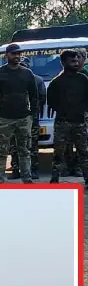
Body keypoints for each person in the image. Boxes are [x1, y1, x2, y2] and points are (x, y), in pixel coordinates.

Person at [0, 43, 38, 184]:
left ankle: (27, 178)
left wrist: (31, 115)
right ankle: (0, 178)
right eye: (14, 54)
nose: (17, 56)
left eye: (19, 54)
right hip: (4, 118)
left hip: (23, 118)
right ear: (7, 55)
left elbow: (34, 95)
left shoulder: (27, 73)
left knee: (25, 151)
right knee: (2, 151)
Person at [47, 49, 88, 187]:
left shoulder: (83, 80)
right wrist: (64, 110)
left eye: (77, 60)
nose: (76, 63)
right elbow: (51, 102)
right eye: (72, 61)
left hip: (79, 122)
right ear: (64, 62)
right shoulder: (56, 82)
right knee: (58, 154)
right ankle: (54, 180)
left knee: (84, 153)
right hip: (62, 123)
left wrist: (81, 110)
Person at [9, 57, 46, 180]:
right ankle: (16, 169)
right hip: (15, 117)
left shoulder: (37, 80)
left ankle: (32, 170)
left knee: (31, 146)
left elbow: (42, 99)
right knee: (15, 145)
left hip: (30, 118)